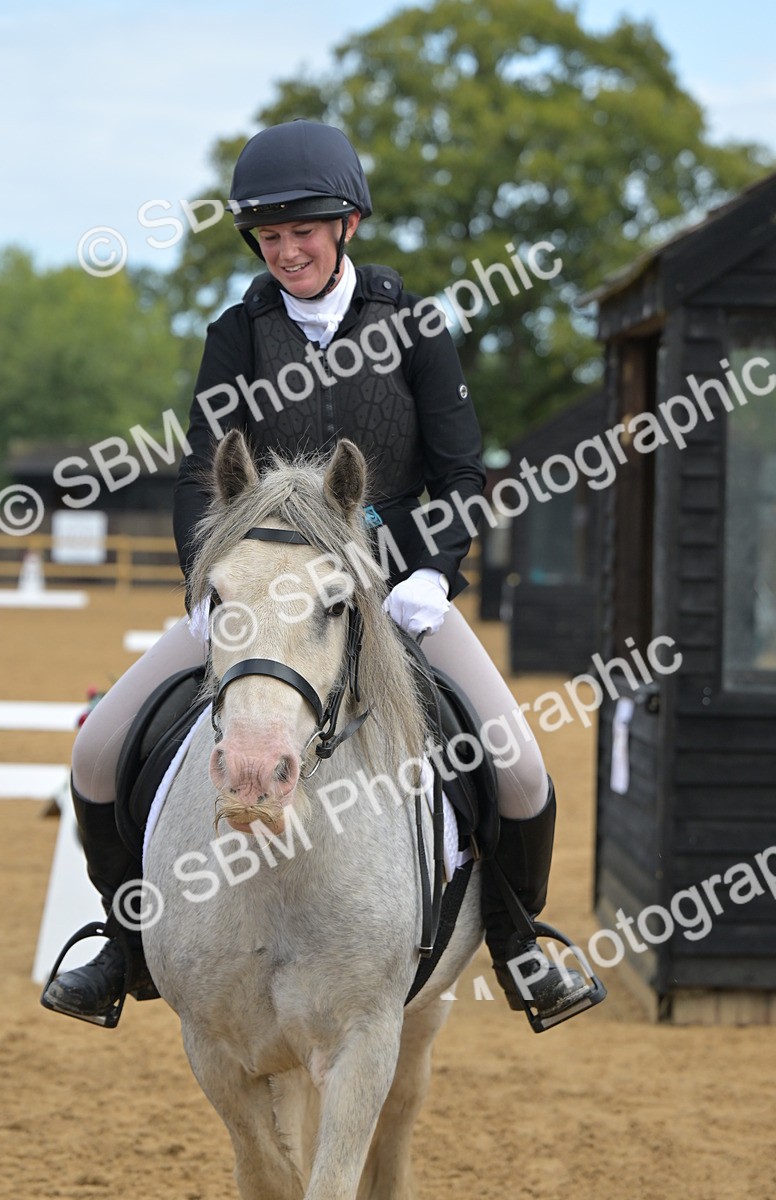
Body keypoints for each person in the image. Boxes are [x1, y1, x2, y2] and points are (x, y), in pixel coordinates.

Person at [42, 119, 604, 1030]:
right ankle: (126, 941)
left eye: (303, 231)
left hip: (396, 595)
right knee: (98, 750)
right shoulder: (237, 334)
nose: (287, 251)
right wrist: (207, 579)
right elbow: (200, 475)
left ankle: (518, 941)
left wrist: (432, 576)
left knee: (521, 767)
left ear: (346, 225)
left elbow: (463, 474)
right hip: (259, 599)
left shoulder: (416, 326)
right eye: (269, 237)